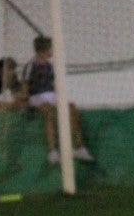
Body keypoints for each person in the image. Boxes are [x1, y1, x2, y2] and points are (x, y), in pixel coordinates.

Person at [19, 36, 94, 165]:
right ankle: (52, 152)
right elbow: (25, 84)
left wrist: (60, 99)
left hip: (51, 95)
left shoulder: (49, 66)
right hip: (36, 96)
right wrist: (25, 101)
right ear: (45, 49)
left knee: (71, 107)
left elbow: (54, 84)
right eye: (51, 48)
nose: (52, 51)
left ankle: (78, 147)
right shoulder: (30, 65)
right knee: (48, 112)